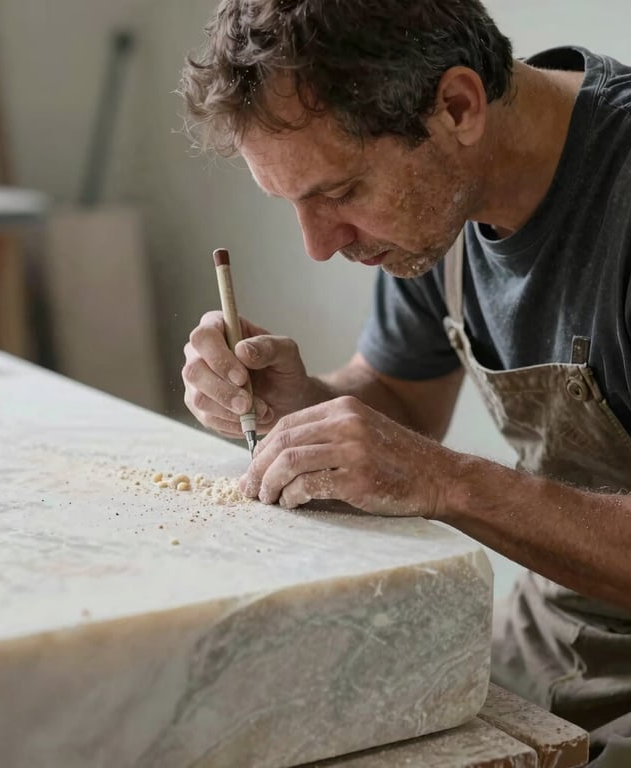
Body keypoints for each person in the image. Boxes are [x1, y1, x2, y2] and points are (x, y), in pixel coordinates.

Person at [178, 1, 631, 764]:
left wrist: (442, 480)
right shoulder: (444, 205)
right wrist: (302, 404)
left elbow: (425, 461)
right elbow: (398, 398)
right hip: (555, 626)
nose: (320, 246)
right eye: (294, 204)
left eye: (342, 191)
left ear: (458, 106)